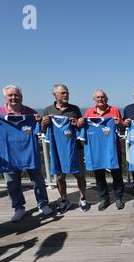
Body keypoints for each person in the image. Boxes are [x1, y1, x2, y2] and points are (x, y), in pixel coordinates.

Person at [0, 85, 53, 222]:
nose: (14, 98)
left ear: (21, 97)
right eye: (10, 95)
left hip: (29, 154)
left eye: (16, 95)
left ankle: (43, 203)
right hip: (8, 156)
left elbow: (40, 131)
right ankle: (19, 208)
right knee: (12, 184)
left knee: (38, 181)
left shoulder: (31, 113)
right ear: (5, 97)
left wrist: (40, 122)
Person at [41, 84, 89, 213]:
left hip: (75, 148)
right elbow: (43, 132)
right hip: (57, 149)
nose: (66, 95)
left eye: (67, 92)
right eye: (62, 93)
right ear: (54, 95)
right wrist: (43, 124)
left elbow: (80, 128)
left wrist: (79, 124)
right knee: (60, 177)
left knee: (79, 175)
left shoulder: (75, 109)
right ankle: (64, 200)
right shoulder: (48, 110)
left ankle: (83, 198)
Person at [83, 89, 125, 210]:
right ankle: (104, 199)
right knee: (99, 176)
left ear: (107, 99)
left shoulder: (114, 110)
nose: (100, 99)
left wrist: (120, 123)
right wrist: (80, 123)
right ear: (94, 99)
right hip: (96, 150)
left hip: (113, 148)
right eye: (98, 97)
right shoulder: (89, 112)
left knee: (117, 175)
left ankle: (118, 198)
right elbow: (82, 128)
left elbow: (121, 128)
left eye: (102, 97)